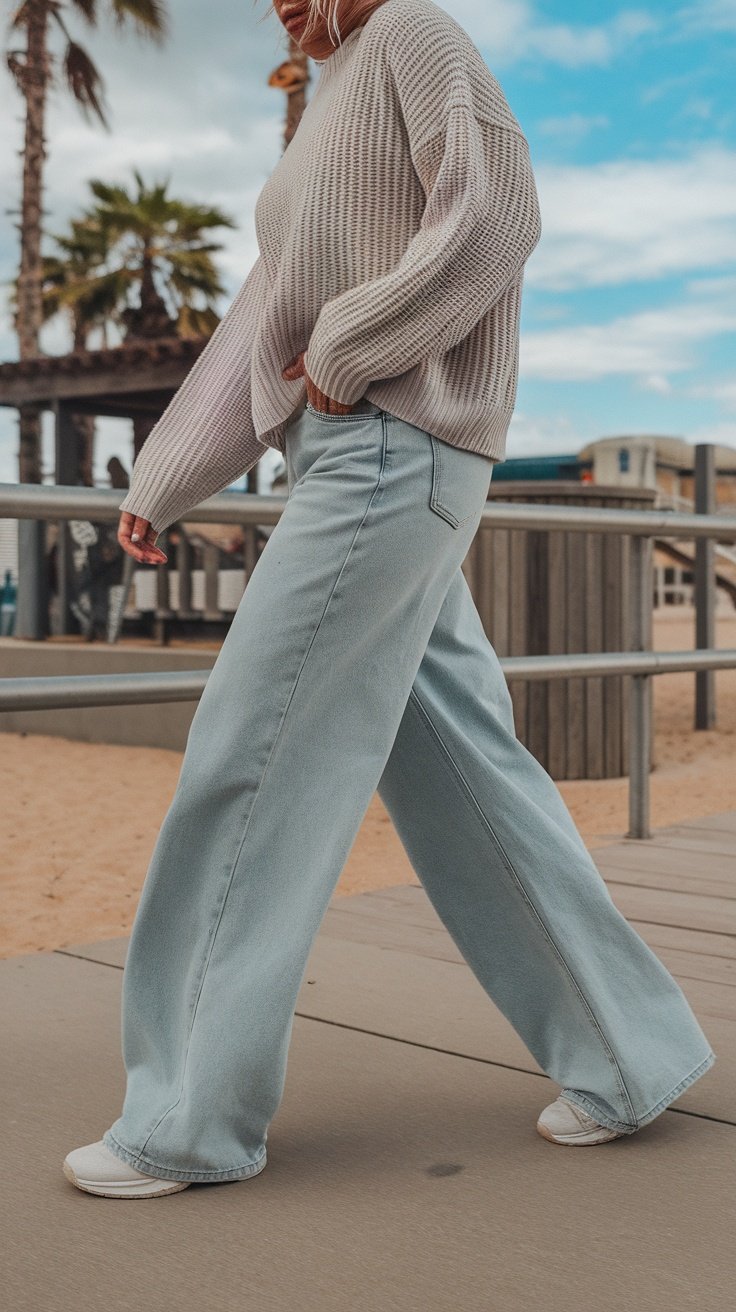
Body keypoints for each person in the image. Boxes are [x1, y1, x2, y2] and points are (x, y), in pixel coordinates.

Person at [63, 0, 715, 1199]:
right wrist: (165, 476)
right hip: (366, 450)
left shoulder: (415, 30)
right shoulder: (329, 92)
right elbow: (269, 308)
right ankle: (630, 1053)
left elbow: (497, 217)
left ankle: (186, 1118)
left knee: (250, 754)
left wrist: (356, 348)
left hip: (385, 446)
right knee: (465, 774)